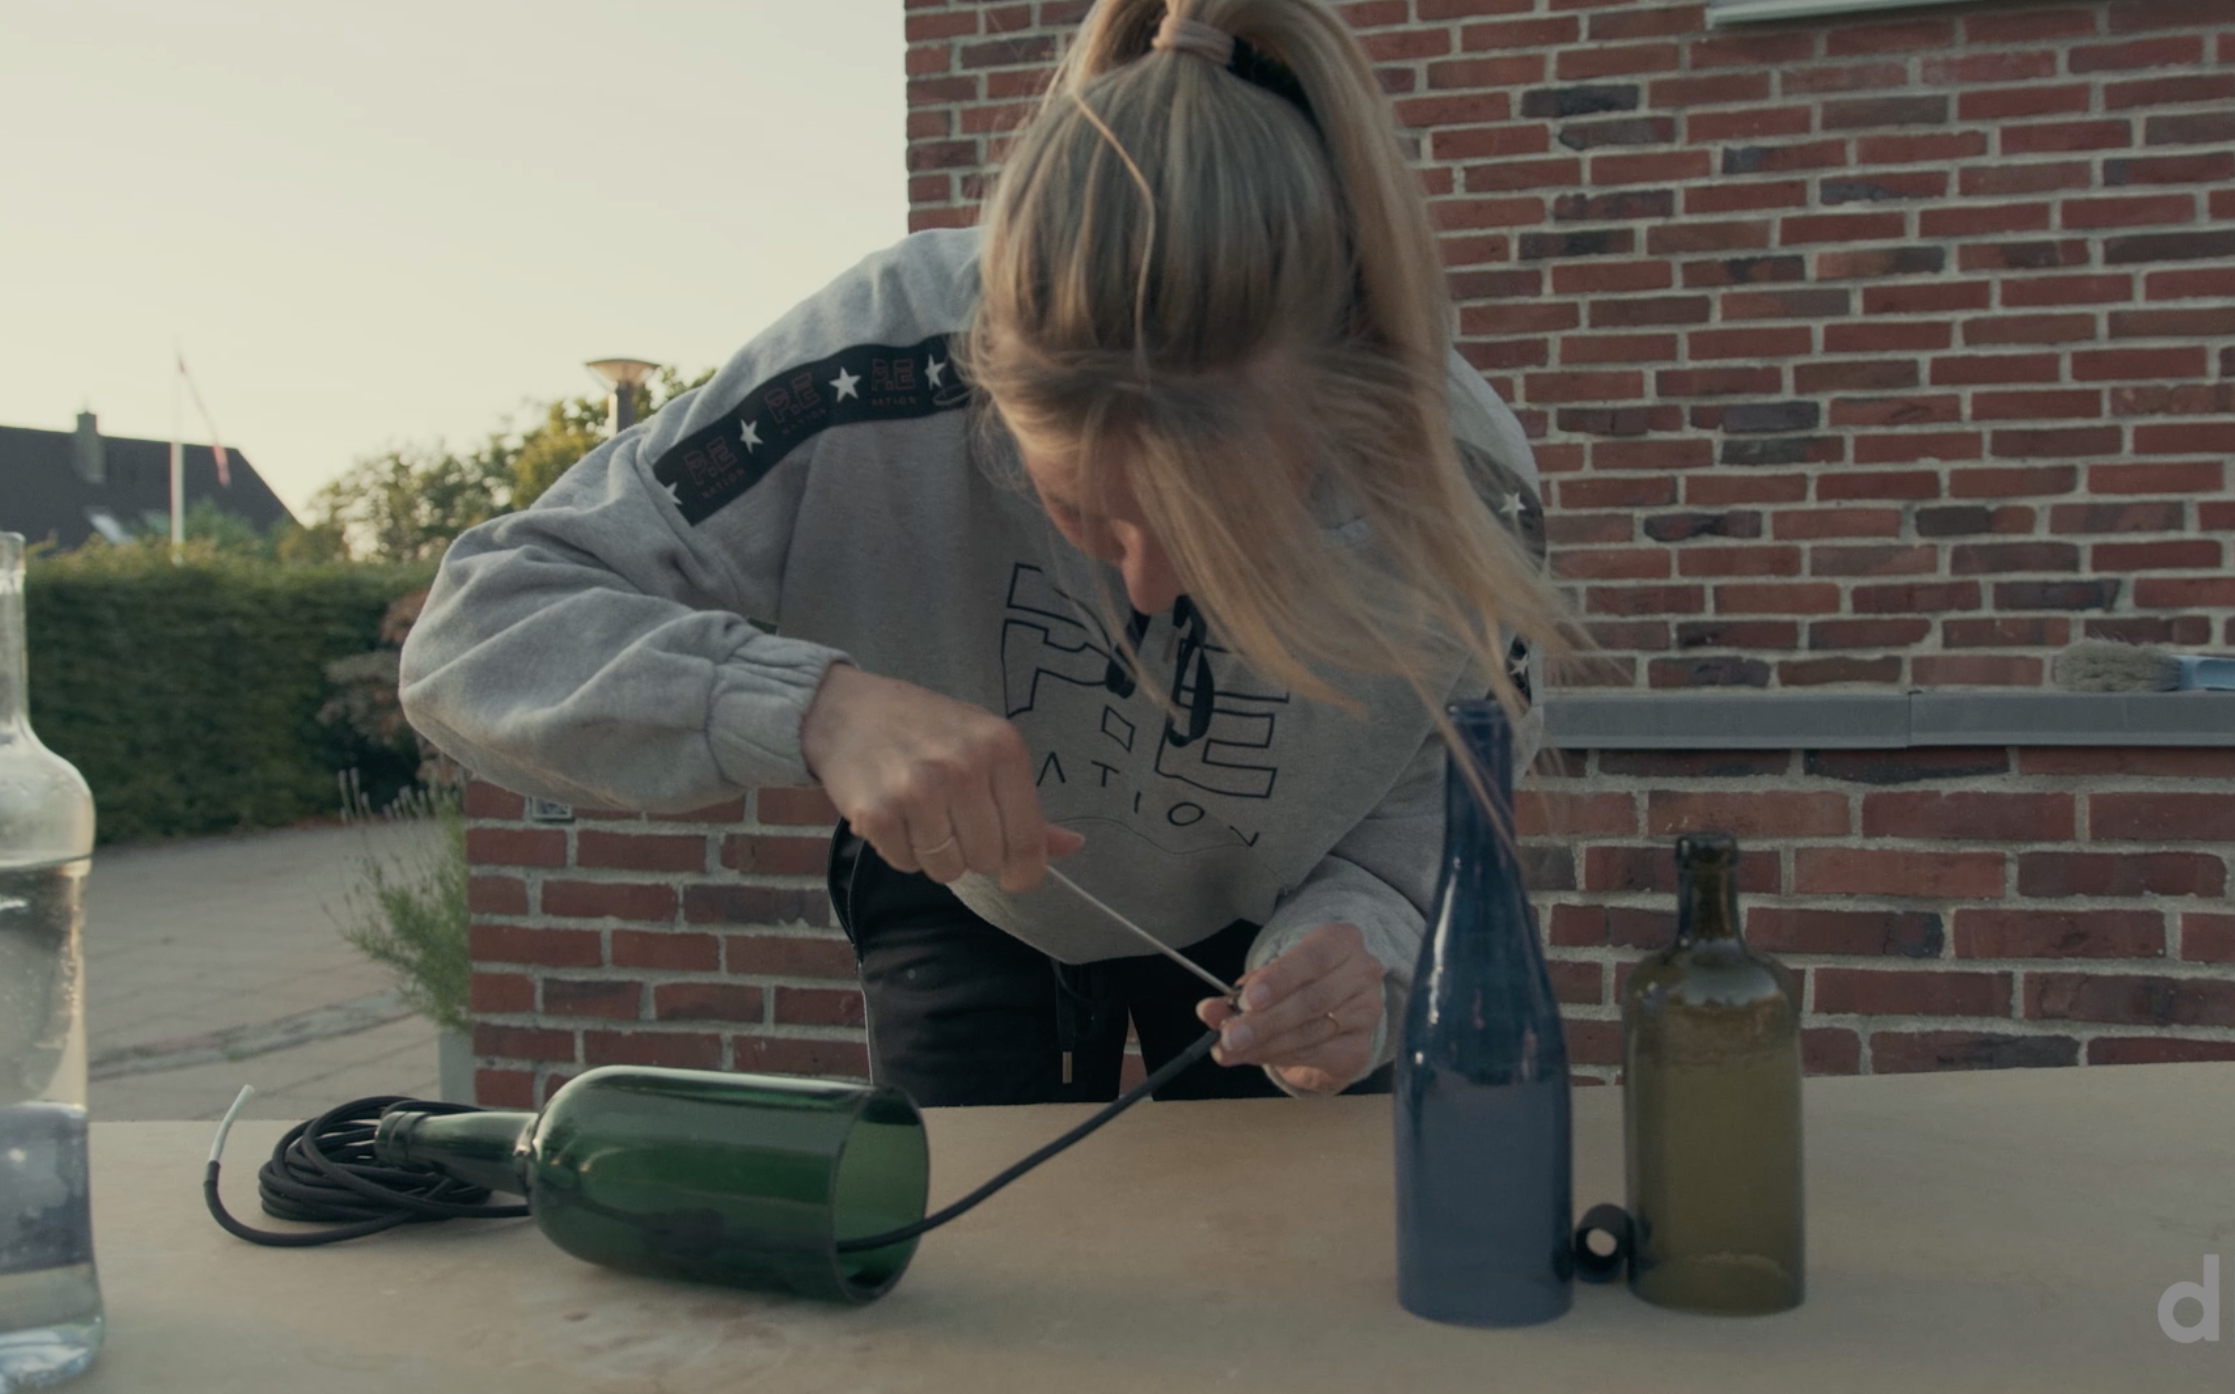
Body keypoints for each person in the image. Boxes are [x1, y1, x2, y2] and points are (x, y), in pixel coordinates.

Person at [399, 0, 1577, 1109]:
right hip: (961, 900)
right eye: (1081, 514)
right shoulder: (877, 363)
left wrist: (1363, 937)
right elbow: (481, 629)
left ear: (1342, 407)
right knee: (948, 1264)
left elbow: (1451, 800)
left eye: (1228, 536)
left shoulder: (1456, 485)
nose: (1147, 589)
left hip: (1279, 913)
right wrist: (811, 706)